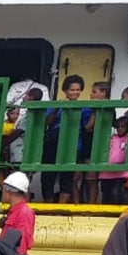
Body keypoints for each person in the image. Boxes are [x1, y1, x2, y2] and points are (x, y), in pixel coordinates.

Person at [43, 74, 84, 204]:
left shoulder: (84, 107)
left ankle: (61, 207)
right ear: (65, 90)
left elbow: (87, 127)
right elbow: (47, 122)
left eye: (78, 90)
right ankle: (48, 208)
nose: (75, 92)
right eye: (72, 89)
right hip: (53, 145)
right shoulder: (55, 105)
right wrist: (56, 109)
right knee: (48, 176)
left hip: (73, 146)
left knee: (67, 178)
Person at [0, 171, 35, 255]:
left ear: (10, 193)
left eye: (3, 190)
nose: (2, 193)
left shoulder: (24, 213)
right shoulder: (14, 211)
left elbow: (22, 245)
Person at [100, 115, 128, 205]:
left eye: (123, 126)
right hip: (106, 171)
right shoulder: (111, 138)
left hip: (120, 172)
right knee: (105, 193)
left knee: (115, 193)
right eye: (118, 127)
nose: (120, 129)